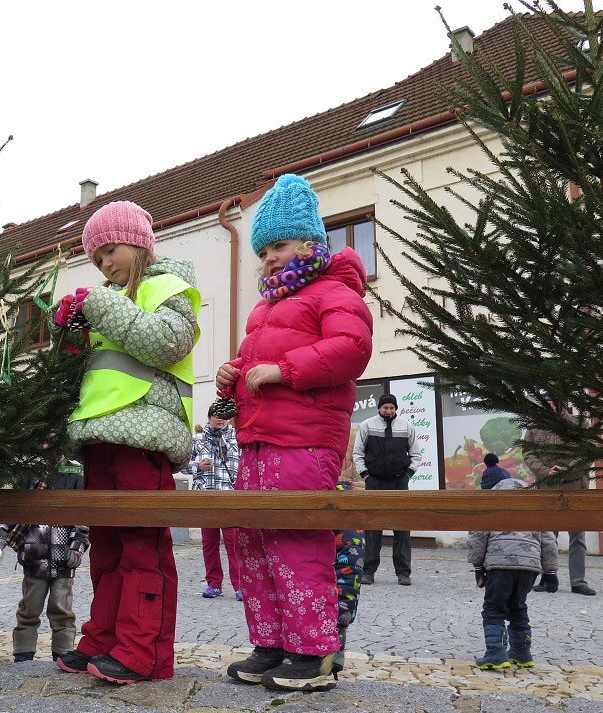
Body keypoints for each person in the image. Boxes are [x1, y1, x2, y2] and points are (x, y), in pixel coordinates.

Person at [216, 174, 373, 692]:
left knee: (297, 542)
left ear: (310, 243)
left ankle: (313, 654)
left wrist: (285, 370)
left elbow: (352, 348)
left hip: (304, 441)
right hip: (258, 440)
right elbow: (256, 362)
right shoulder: (266, 307)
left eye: (278, 246)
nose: (268, 258)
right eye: (262, 250)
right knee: (253, 542)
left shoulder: (334, 290)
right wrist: (234, 372)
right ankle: (272, 645)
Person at [52, 200, 200, 684]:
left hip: (145, 437)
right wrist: (72, 337)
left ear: (137, 243)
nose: (104, 265)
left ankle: (144, 652)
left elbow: (166, 343)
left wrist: (100, 306)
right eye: (96, 260)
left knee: (142, 547)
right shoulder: (107, 300)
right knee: (108, 550)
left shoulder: (168, 286)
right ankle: (104, 640)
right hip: (99, 438)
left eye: (110, 251)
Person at [0, 465, 90, 663]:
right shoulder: (28, 475)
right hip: (33, 555)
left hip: (64, 558)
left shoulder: (73, 477)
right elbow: (14, 511)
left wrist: (77, 545)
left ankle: (63, 654)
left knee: (62, 610)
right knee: (29, 608)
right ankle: (23, 654)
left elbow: (81, 515)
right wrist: (2, 539)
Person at [468, 468, 559, 669]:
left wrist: (477, 566)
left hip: (500, 566)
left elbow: (477, 535)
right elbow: (549, 540)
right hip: (529, 568)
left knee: (494, 608)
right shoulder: (533, 506)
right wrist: (550, 572)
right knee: (518, 607)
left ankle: (496, 652)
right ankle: (521, 651)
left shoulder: (492, 505)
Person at [523, 406, 595, 596]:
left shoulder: (579, 424)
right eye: (547, 401)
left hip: (575, 487)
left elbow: (587, 453)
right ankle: (547, 578)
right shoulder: (534, 426)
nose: (551, 405)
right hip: (547, 487)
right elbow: (529, 454)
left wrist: (567, 472)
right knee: (547, 536)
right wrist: (546, 471)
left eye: (554, 401)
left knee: (577, 537)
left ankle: (578, 582)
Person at [352, 394, 420, 586]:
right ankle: (368, 571)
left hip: (400, 482)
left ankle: (403, 573)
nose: (388, 411)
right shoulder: (367, 425)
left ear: (395, 408)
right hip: (375, 482)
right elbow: (358, 453)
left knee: (402, 527)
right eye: (385, 408)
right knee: (373, 527)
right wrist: (366, 475)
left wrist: (407, 474)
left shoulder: (406, 426)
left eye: (391, 408)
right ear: (379, 408)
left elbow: (416, 454)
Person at [181, 404, 241, 600]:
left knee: (234, 543)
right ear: (209, 417)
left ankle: (240, 586)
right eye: (216, 415)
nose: (220, 418)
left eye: (223, 415)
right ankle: (214, 584)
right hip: (205, 498)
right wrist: (197, 465)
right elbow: (182, 466)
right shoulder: (198, 439)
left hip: (230, 498)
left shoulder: (236, 438)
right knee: (209, 543)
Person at [332, 480, 365, 681]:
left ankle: (332, 662)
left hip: (336, 587)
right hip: (346, 587)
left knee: (336, 622)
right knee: (340, 622)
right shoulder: (351, 504)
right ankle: (335, 662)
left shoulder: (338, 505)